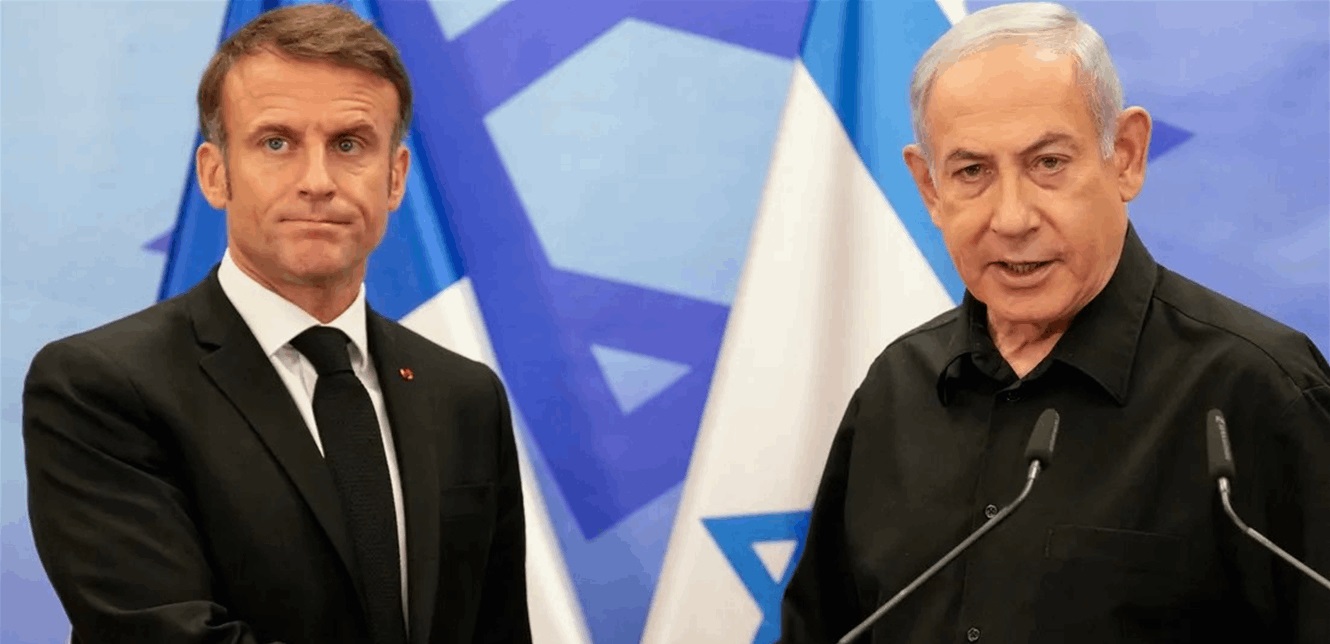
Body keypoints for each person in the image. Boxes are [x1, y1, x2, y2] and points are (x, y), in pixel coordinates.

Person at [778, 2, 1330, 642]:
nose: (1012, 218)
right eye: (972, 171)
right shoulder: (896, 389)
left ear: (1126, 156)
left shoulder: (1259, 390)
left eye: (1048, 163)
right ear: (930, 189)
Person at [22, 5, 531, 643]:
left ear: (395, 177)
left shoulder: (465, 397)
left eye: (349, 144)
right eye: (276, 143)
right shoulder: (102, 387)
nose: (317, 181)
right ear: (215, 174)